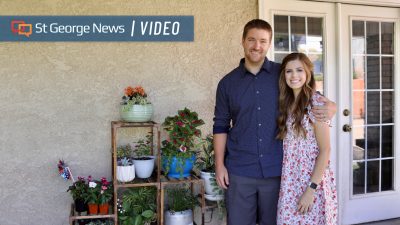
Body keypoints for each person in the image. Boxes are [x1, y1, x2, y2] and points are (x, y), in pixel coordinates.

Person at [213, 19, 336, 225]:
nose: (256, 46)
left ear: (269, 43)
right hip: (240, 170)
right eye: (251, 40)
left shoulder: (283, 74)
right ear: (243, 41)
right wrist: (219, 165)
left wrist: (330, 105)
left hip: (278, 172)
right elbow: (220, 125)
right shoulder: (227, 84)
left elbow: (305, 92)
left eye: (262, 41)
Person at [276, 53, 337, 224]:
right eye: (289, 71)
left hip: (312, 181)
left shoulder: (316, 104)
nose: (294, 75)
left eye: (299, 70)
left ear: (308, 73)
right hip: (290, 181)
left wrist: (311, 190)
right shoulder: (285, 104)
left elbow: (325, 150)